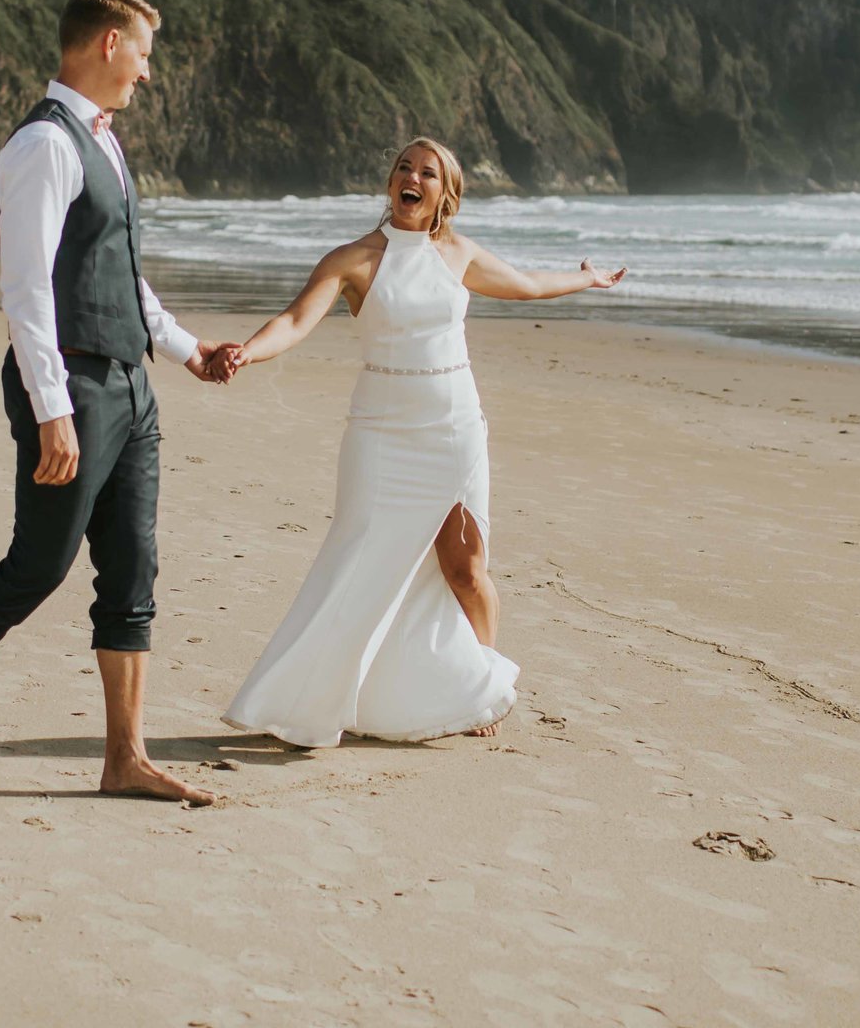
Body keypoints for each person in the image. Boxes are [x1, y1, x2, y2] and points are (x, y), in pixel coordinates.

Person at [0, 0, 237, 803]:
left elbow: (118, 268)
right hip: (71, 383)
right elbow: (27, 289)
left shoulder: (104, 142)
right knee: (38, 563)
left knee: (132, 568)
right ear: (109, 43)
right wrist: (52, 409)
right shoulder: (44, 146)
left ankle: (125, 757)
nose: (148, 75)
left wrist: (185, 351)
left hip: (129, 381)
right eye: (145, 55)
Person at [218, 138, 625, 748]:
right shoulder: (354, 259)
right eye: (403, 168)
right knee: (356, 566)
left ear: (444, 193)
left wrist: (584, 278)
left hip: (455, 429)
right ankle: (319, 695)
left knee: (465, 568)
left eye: (426, 172)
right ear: (391, 184)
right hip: (380, 435)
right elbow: (296, 320)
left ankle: (480, 686)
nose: (411, 177)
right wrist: (248, 350)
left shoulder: (458, 254)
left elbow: (526, 284)